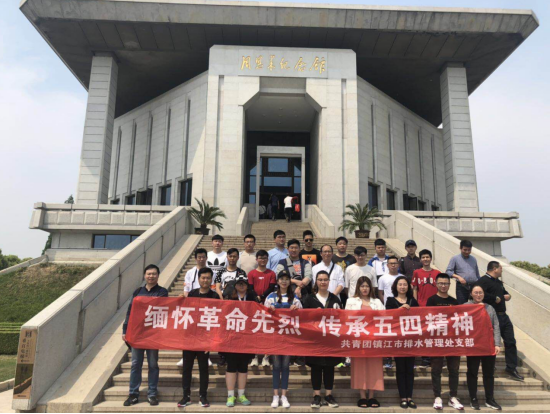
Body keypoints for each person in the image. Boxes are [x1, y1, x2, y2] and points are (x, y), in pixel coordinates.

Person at [122, 264, 168, 407]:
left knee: (153, 364)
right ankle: (133, 394)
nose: (151, 276)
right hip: (137, 334)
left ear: (158, 276)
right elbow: (130, 311)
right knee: (136, 364)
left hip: (153, 334)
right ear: (144, 275)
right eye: (148, 274)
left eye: (154, 274)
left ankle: (152, 394)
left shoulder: (162, 292)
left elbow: (158, 307)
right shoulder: (138, 291)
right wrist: (125, 329)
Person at [178, 268, 220, 408]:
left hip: (204, 339)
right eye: (203, 278)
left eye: (208, 278)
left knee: (203, 369)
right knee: (187, 368)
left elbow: (217, 320)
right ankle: (186, 396)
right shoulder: (192, 293)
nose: (205, 280)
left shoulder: (214, 296)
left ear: (211, 279)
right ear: (199, 279)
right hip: (189, 338)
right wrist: (180, 300)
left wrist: (211, 342)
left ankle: (203, 396)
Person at [477, 261, 524, 381]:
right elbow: (477, 294)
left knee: (510, 341)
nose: (502, 270)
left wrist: (508, 296)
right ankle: (490, 367)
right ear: (494, 269)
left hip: (504, 316)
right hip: (491, 316)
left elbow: (505, 294)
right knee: (491, 342)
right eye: (501, 268)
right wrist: (494, 298)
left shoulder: (498, 282)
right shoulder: (483, 281)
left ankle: (511, 368)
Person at [303, 271, 342, 409]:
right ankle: (317, 396)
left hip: (331, 339)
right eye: (320, 280)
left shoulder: (335, 299)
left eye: (325, 279)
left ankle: (329, 395)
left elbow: (341, 318)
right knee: (316, 367)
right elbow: (303, 318)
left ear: (329, 281)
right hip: (315, 339)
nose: (323, 282)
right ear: (316, 282)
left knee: (329, 367)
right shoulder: (309, 299)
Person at [264, 270, 303, 408]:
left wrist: (296, 309)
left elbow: (303, 316)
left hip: (288, 337)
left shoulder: (295, 297)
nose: (284, 281)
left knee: (285, 366)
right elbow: (263, 315)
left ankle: (284, 396)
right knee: (276, 366)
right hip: (275, 336)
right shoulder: (271, 297)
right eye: (281, 279)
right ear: (277, 281)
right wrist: (269, 310)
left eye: (287, 279)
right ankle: (275, 395)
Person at [345, 276, 384, 408]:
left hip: (374, 340)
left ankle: (372, 396)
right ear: (358, 287)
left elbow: (385, 317)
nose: (365, 289)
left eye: (367, 286)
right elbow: (346, 319)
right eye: (362, 286)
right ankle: (362, 396)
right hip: (358, 340)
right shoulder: (351, 301)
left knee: (374, 367)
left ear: (371, 287)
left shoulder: (377, 302)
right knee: (359, 367)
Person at [426, 273, 463, 410]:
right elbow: (427, 319)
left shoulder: (454, 301)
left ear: (449, 284)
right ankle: (437, 396)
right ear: (436, 284)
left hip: (452, 341)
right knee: (436, 369)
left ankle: (453, 396)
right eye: (441, 283)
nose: (443, 286)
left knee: (454, 369)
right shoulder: (431, 300)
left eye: (446, 283)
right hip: (437, 340)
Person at [385, 277, 419, 409]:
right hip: (397, 340)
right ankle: (403, 397)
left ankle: (410, 397)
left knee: (409, 370)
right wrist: (400, 309)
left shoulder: (413, 301)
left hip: (410, 340)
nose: (403, 287)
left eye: (405, 284)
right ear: (395, 286)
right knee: (400, 369)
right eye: (400, 284)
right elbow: (388, 316)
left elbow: (419, 317)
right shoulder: (390, 300)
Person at [467, 284, 502, 410]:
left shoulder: (490, 308)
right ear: (471, 294)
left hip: (488, 345)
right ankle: (473, 399)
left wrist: (497, 344)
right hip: (473, 346)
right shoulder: (465, 307)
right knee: (472, 373)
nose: (478, 295)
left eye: (480, 292)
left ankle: (490, 399)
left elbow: (496, 326)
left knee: (489, 373)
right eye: (476, 292)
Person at [223, 275, 256, 407]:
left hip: (247, 338)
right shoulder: (229, 298)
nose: (241, 286)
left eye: (244, 283)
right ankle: (230, 395)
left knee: (243, 367)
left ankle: (241, 394)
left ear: (247, 286)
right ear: (235, 285)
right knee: (231, 367)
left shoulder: (252, 298)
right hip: (231, 338)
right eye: (239, 283)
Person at [247, 250, 277, 367]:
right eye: (260, 258)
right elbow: (250, 288)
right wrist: (257, 298)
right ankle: (254, 356)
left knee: (267, 332)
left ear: (267, 259)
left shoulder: (271, 273)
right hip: (255, 306)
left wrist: (262, 297)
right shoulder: (251, 273)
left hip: (268, 305)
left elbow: (271, 287)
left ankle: (266, 356)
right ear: (257, 259)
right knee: (255, 331)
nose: (263, 260)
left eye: (265, 258)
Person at [411, 249, 438, 368]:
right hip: (421, 307)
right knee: (424, 334)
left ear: (431, 258)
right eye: (423, 257)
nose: (425, 259)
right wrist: (415, 304)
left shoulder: (437, 273)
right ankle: (425, 359)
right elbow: (415, 289)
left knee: (434, 333)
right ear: (420, 259)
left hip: (434, 308)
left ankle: (436, 358)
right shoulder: (417, 272)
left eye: (427, 257)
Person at [446, 239, 480, 304]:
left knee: (475, 305)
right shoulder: (455, 258)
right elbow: (448, 272)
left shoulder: (473, 259)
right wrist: (458, 277)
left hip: (474, 286)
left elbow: (477, 274)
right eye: (465, 250)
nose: (467, 252)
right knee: (462, 305)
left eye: (469, 250)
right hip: (462, 287)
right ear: (460, 248)